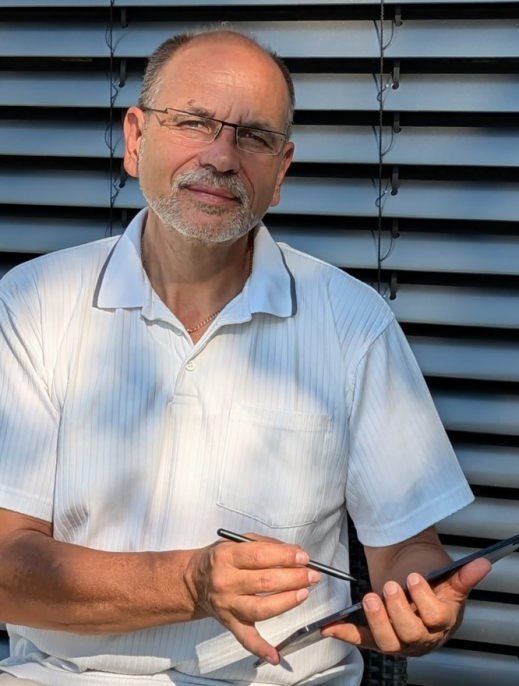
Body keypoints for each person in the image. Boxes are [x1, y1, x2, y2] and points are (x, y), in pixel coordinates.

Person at [0, 27, 489, 686]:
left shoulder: (352, 321)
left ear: (280, 172)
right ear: (135, 138)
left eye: (253, 137)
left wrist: (414, 606)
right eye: (195, 122)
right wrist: (189, 583)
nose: (222, 157)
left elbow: (405, 548)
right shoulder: (32, 303)